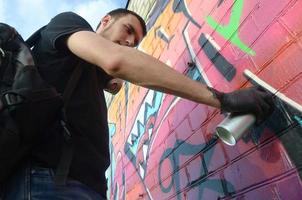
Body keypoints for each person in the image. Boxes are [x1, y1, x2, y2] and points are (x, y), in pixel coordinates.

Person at [0, 8, 274, 200]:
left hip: (75, 185)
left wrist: (106, 81)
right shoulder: (67, 22)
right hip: (47, 182)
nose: (131, 41)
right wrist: (223, 99)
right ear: (105, 21)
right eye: (128, 30)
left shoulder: (86, 74)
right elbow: (116, 59)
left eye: (137, 41)